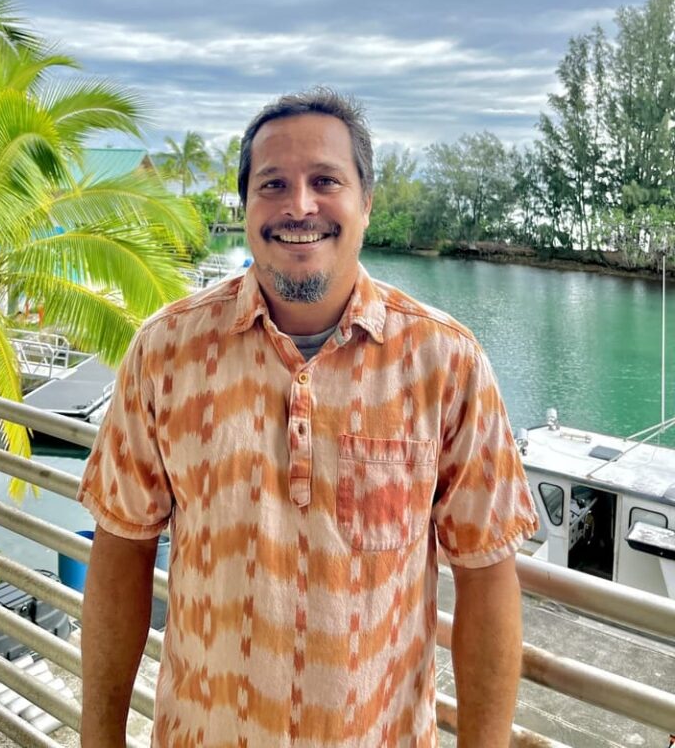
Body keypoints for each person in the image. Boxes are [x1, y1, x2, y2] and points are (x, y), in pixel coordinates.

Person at [78, 88, 539, 748]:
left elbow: (488, 575)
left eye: (326, 180)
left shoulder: (447, 362)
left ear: (366, 203)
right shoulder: (165, 351)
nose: (299, 206)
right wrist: (101, 738)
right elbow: (123, 548)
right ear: (245, 210)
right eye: (273, 185)